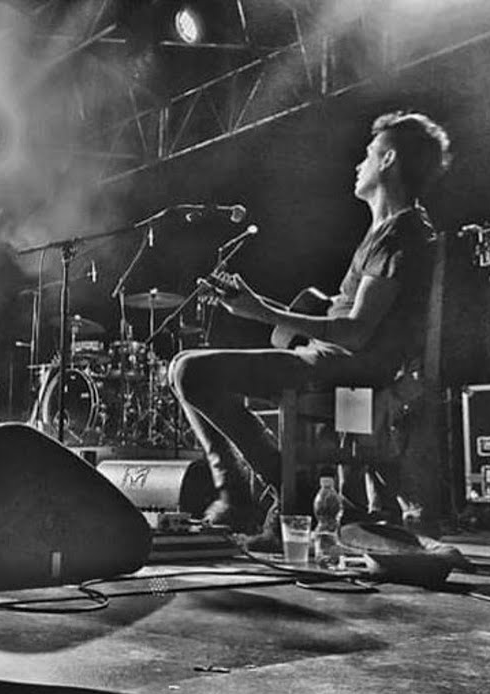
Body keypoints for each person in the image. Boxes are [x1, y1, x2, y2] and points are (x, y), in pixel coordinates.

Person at [169, 111, 451, 540]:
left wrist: (262, 312)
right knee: (182, 364)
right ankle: (249, 494)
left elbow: (356, 332)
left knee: (191, 371)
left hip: (349, 369)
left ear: (388, 160)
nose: (359, 164)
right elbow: (344, 317)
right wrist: (256, 305)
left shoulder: (402, 233)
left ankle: (269, 495)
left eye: (368, 154)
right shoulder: (386, 232)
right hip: (333, 360)